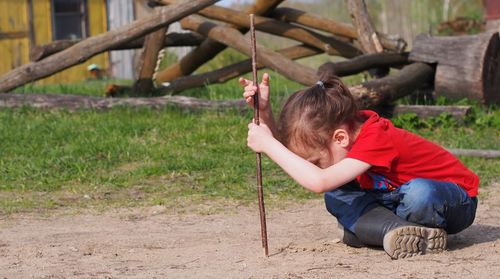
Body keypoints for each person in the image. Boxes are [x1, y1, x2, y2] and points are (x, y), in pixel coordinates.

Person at [239, 73, 479, 259]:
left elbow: (319, 181)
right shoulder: (348, 133)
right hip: (392, 199)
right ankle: (396, 233)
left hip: (454, 200)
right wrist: (265, 113)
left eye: (318, 161)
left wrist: (269, 144)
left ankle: (372, 230)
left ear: (340, 138)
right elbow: (297, 162)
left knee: (419, 194)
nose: (317, 167)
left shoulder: (375, 136)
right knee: (337, 196)